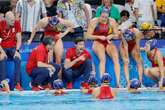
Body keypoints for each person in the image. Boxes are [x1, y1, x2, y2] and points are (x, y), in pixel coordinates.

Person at [87, 7, 120, 87]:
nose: (104, 19)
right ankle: (102, 82)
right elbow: (88, 36)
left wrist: (111, 35)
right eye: (102, 17)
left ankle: (117, 83)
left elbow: (117, 35)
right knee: (103, 58)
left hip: (108, 42)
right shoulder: (94, 21)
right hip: (97, 42)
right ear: (99, 15)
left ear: (108, 16)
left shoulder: (112, 21)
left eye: (106, 17)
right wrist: (98, 37)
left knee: (116, 58)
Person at [0, 11, 23, 91]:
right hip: (2, 47)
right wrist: (2, 52)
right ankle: (3, 84)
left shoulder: (16, 23)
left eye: (14, 20)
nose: (13, 22)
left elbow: (19, 39)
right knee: (2, 58)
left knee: (18, 58)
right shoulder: (0, 24)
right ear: (6, 19)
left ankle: (17, 84)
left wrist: (17, 51)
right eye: (11, 20)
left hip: (12, 47)